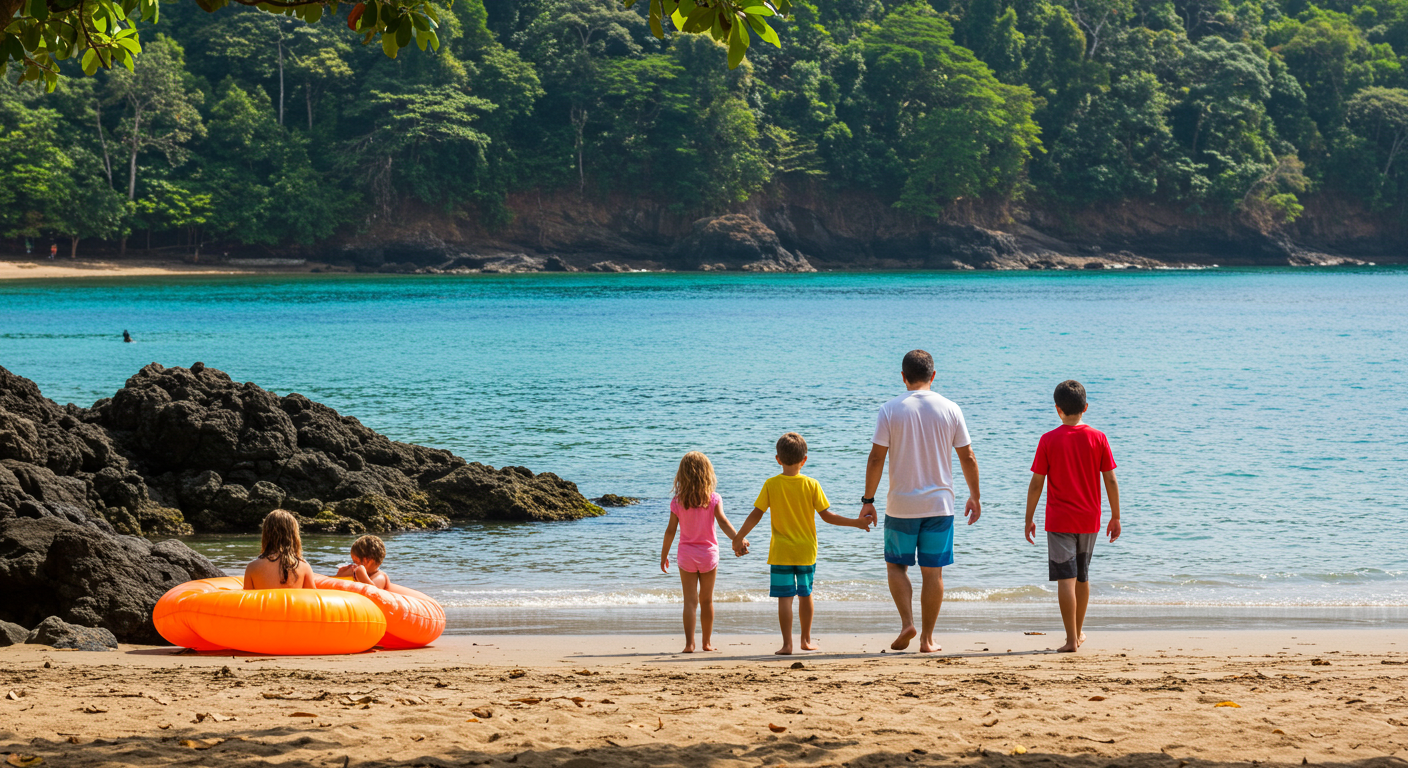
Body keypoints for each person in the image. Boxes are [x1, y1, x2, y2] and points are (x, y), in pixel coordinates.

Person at [860, 349, 980, 654]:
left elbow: (876, 458)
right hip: (940, 506)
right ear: (933, 376)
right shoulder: (951, 409)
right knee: (933, 572)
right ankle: (927, 639)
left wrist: (868, 499)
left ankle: (906, 623)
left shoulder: (890, 409)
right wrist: (975, 496)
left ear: (903, 377)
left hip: (901, 506)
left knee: (895, 566)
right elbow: (967, 456)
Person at [734, 432, 871, 655]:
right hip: (806, 551)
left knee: (784, 598)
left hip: (781, 552)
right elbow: (827, 516)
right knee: (806, 594)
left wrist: (739, 536)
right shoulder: (811, 484)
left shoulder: (771, 484)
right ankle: (806, 640)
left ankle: (787, 644)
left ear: (778, 459)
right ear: (804, 460)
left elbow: (756, 514)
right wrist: (855, 523)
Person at [1024, 380, 1121, 653]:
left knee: (1065, 580)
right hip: (1089, 519)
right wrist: (1116, 516)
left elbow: (1036, 483)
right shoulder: (1098, 438)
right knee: (1082, 577)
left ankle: (1070, 640)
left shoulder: (1048, 439)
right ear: (1085, 407)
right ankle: (1077, 633)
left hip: (1059, 520)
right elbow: (1110, 480)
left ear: (1057, 409)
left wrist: (1028, 518)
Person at [659, 451, 744, 653]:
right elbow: (723, 522)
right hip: (708, 555)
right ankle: (706, 643)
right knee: (706, 601)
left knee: (690, 602)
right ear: (707, 474)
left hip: (686, 555)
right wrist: (737, 539)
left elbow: (670, 531)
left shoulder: (677, 502)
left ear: (682, 475)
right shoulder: (713, 499)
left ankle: (689, 644)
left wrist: (663, 555)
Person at [243, 509, 318, 590]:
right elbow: (313, 596)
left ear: (265, 535)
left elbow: (246, 597)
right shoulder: (303, 566)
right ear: (294, 536)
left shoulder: (252, 567)